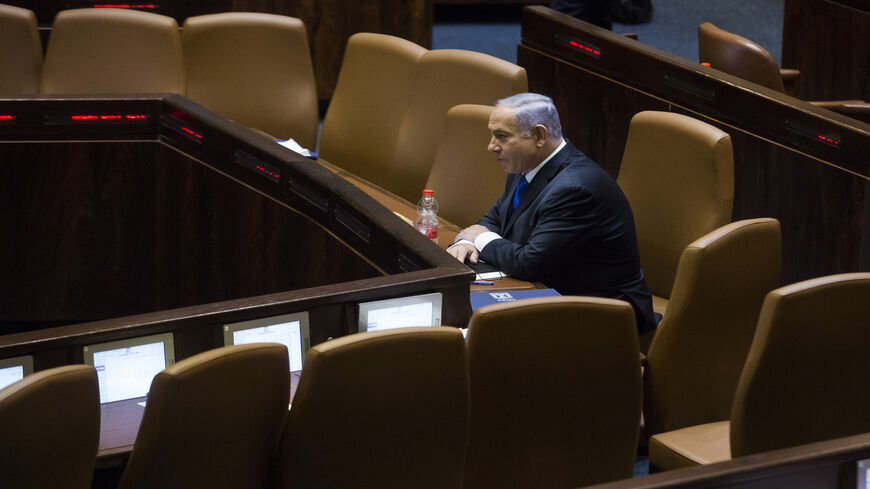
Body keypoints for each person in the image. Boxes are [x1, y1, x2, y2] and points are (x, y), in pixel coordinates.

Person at [448, 93, 656, 333]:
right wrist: (467, 241)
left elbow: (529, 263)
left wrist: (479, 238)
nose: (491, 146)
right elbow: (496, 217)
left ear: (539, 135)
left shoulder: (575, 188)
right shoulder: (526, 165)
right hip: (549, 289)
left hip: (602, 313)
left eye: (502, 136)